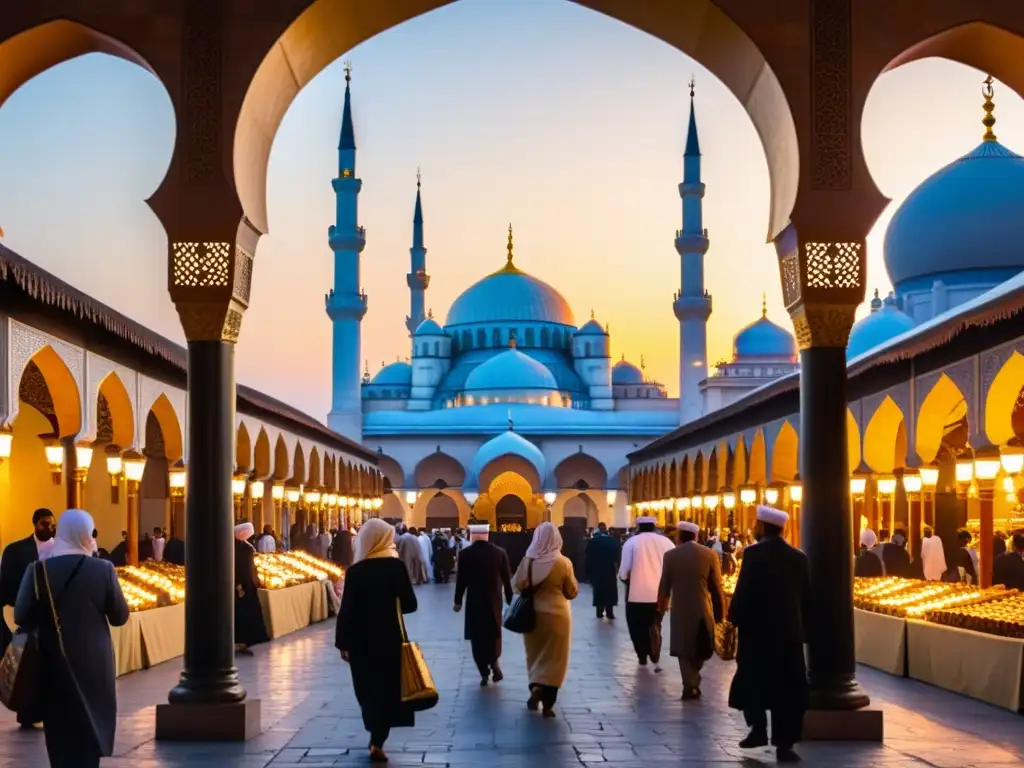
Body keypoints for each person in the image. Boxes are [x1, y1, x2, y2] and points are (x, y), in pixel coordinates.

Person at [14, 508, 130, 767]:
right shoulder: (104, 570)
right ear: (87, 535)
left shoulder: (38, 570)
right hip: (94, 663)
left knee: (59, 728)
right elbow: (120, 616)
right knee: (92, 721)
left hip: (52, 659)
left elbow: (21, 615)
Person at [728, 506, 809, 764]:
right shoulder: (799, 557)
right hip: (788, 634)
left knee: (753, 680)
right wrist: (803, 629)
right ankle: (785, 744)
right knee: (788, 687)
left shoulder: (753, 554)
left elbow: (744, 590)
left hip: (757, 633)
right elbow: (807, 597)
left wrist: (734, 617)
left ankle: (759, 730)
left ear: (761, 527)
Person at [336, 519, 418, 763]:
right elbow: (410, 605)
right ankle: (378, 739)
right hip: (391, 639)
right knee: (387, 688)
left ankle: (373, 729)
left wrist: (343, 643)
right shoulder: (396, 567)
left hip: (361, 643)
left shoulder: (355, 571)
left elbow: (346, 610)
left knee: (368, 689)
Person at [513, 522, 578, 719]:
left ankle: (535, 687)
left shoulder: (529, 561)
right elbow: (571, 591)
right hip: (558, 616)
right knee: (556, 659)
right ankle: (548, 704)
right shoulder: (563, 562)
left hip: (533, 614)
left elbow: (517, 585)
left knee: (535, 655)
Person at [0, 507, 56, 726]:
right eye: (44, 524)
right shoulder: (16, 550)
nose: (49, 528)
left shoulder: (60, 549)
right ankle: (27, 711)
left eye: (52, 524)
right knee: (27, 665)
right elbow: (6, 581)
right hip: (24, 614)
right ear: (35, 524)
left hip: (49, 615)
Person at [658, 521, 724, 700]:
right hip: (703, 607)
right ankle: (692, 682)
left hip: (679, 608)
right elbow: (717, 587)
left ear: (679, 536)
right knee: (702, 644)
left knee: (683, 647)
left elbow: (664, 585)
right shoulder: (709, 554)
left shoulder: (670, 556)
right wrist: (721, 612)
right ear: (696, 536)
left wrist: (660, 608)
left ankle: (690, 682)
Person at [454, 524, 513, 686]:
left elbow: (461, 580)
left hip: (474, 601)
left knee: (477, 636)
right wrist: (509, 598)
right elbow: (507, 579)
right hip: (494, 601)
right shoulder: (499, 553)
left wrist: (458, 600)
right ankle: (494, 663)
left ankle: (483, 672)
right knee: (493, 633)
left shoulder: (465, 554)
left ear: (472, 535)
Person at [618, 516, 674, 669]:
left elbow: (624, 569)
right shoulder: (667, 542)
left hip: (637, 593)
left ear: (638, 527)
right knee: (655, 623)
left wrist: (624, 577)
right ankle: (654, 649)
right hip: (660, 593)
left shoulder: (632, 542)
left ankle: (642, 654)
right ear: (655, 527)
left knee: (636, 625)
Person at [233, 522, 269, 655]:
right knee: (246, 613)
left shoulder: (236, 547)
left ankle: (241, 640)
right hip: (244, 587)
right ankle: (245, 640)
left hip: (240, 586)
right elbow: (246, 569)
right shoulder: (244, 549)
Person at [585, 522, 620, 620]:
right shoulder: (612, 541)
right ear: (606, 529)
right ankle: (610, 612)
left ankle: (599, 612)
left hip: (597, 569)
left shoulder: (594, 541)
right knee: (610, 591)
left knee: (599, 590)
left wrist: (588, 572)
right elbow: (616, 555)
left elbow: (588, 555)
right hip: (609, 569)